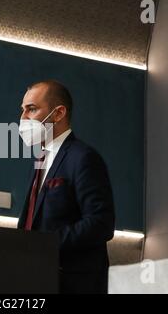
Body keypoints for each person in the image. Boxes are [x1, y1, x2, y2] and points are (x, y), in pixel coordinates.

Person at [17, 80, 115, 294]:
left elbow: (101, 223)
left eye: (31, 109)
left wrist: (45, 244)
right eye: (22, 110)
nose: (23, 118)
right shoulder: (40, 160)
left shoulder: (83, 158)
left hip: (73, 283)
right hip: (36, 278)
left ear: (58, 113)